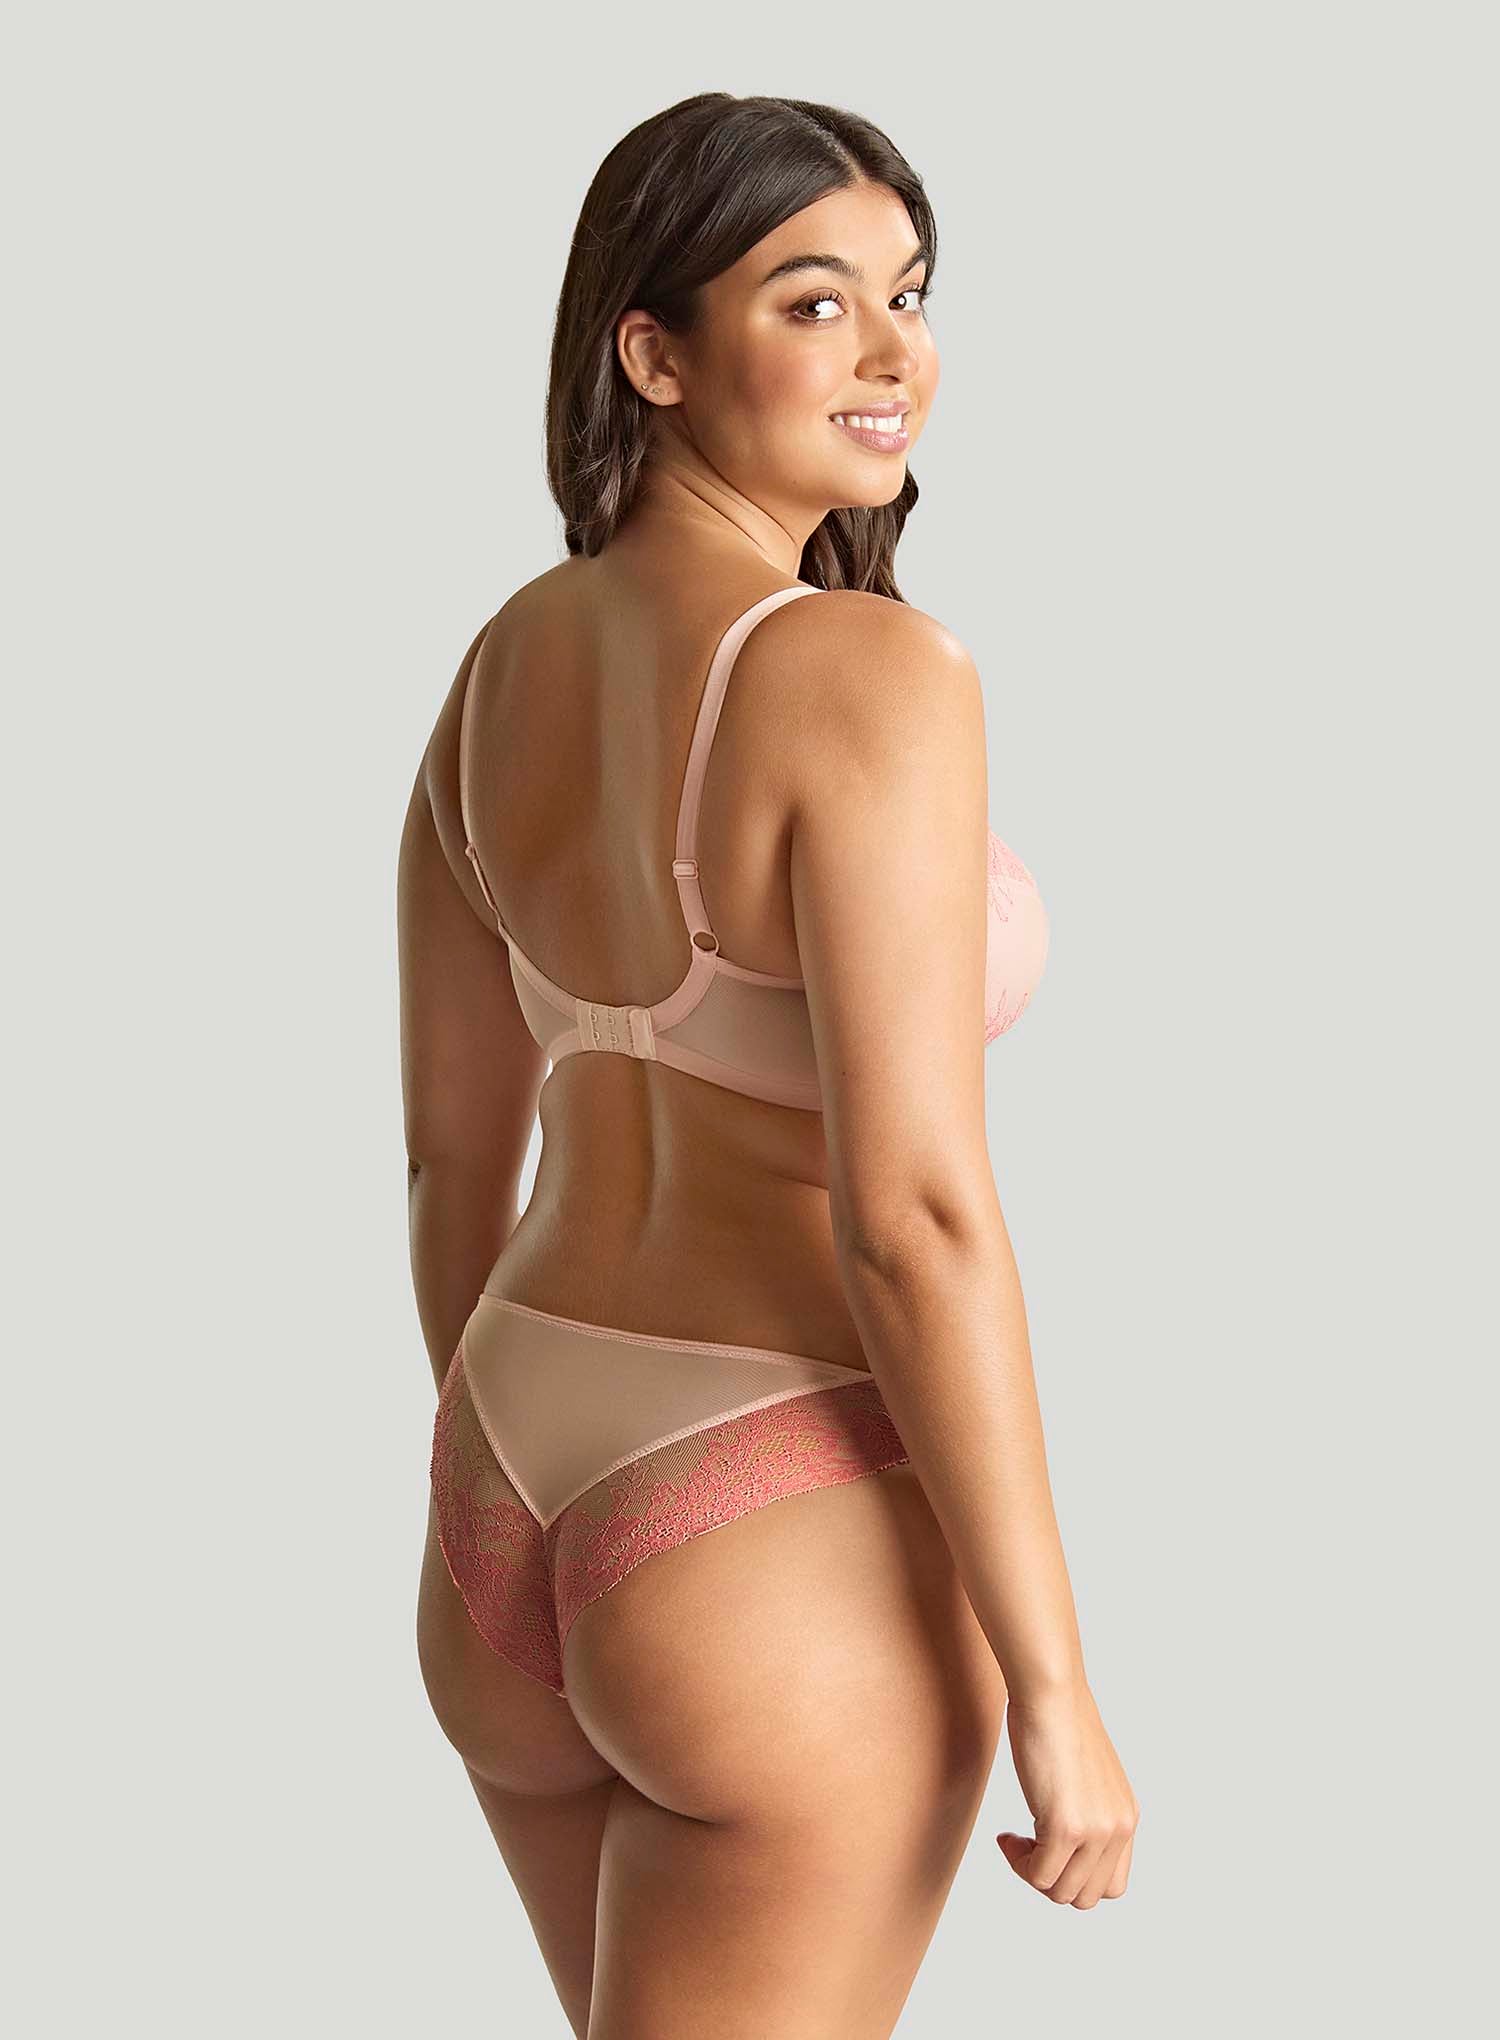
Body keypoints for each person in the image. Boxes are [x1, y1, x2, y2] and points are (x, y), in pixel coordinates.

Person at [398, 91, 1138, 2040]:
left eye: (911, 294)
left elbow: (450, 1157)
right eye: (816, 303)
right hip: (762, 1513)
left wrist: (516, 1512)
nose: (896, 354)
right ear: (651, 354)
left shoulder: (498, 672)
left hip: (507, 1477)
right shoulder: (870, 673)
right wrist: (1056, 1687)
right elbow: (914, 1218)